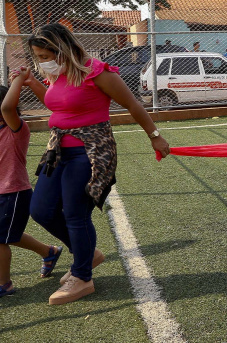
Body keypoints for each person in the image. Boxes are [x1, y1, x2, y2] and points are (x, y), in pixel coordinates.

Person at [22, 23, 170, 304]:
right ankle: (88, 254)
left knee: (75, 214)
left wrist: (155, 136)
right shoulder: (57, 75)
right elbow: (59, 105)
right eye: (38, 57)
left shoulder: (96, 71)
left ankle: (82, 277)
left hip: (90, 152)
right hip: (58, 150)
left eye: (44, 56)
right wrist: (32, 83)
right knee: (41, 209)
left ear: (62, 50)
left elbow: (133, 104)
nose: (42, 62)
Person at [0, 79, 63, 298]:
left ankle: (4, 284)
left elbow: (7, 108)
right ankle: (49, 252)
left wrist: (18, 80)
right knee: (9, 234)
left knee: (1, 239)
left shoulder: (15, 129)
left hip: (12, 192)